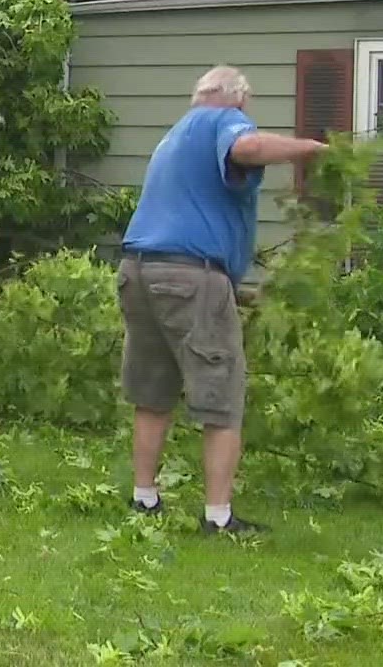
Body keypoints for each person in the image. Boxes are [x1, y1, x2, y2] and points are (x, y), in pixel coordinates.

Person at [118, 65, 326, 534]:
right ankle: (218, 516)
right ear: (240, 101)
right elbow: (246, 148)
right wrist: (309, 149)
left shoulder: (172, 137)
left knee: (152, 393)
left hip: (138, 270)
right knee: (222, 394)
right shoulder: (220, 120)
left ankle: (144, 499)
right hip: (191, 276)